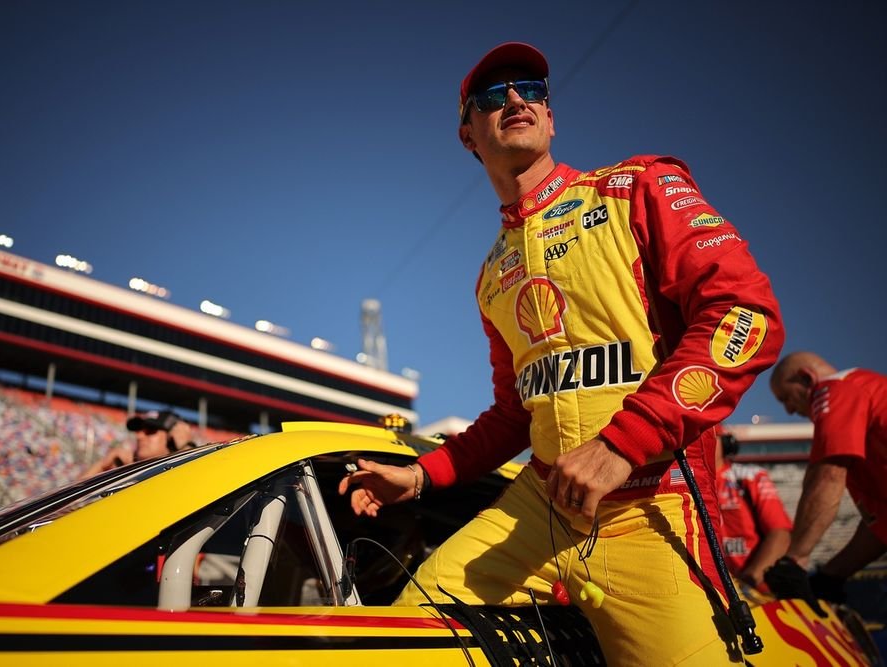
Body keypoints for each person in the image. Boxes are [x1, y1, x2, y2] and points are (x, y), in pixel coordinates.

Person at [339, 42, 784, 664]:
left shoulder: (637, 188)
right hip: (539, 505)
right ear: (468, 134)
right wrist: (419, 476)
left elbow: (746, 315)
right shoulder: (492, 274)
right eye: (493, 97)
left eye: (531, 90)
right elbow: (513, 414)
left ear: (550, 117)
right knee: (408, 640)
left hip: (653, 500)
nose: (516, 100)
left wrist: (621, 444)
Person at [764, 352, 887, 608]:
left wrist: (795, 559)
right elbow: (881, 526)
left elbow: (829, 474)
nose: (788, 410)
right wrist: (832, 575)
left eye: (786, 397)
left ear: (807, 378)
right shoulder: (864, 406)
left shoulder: (835, 389)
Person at [715, 431, 792, 589]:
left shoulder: (751, 477)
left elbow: (780, 534)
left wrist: (750, 580)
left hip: (757, 593)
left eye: (708, 435)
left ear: (726, 443)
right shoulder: (679, 483)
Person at [83, 409, 195, 478]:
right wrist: (102, 465)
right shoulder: (123, 470)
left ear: (171, 439)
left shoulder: (183, 475)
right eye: (139, 431)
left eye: (150, 431)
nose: (139, 436)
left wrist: (185, 447)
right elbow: (71, 505)